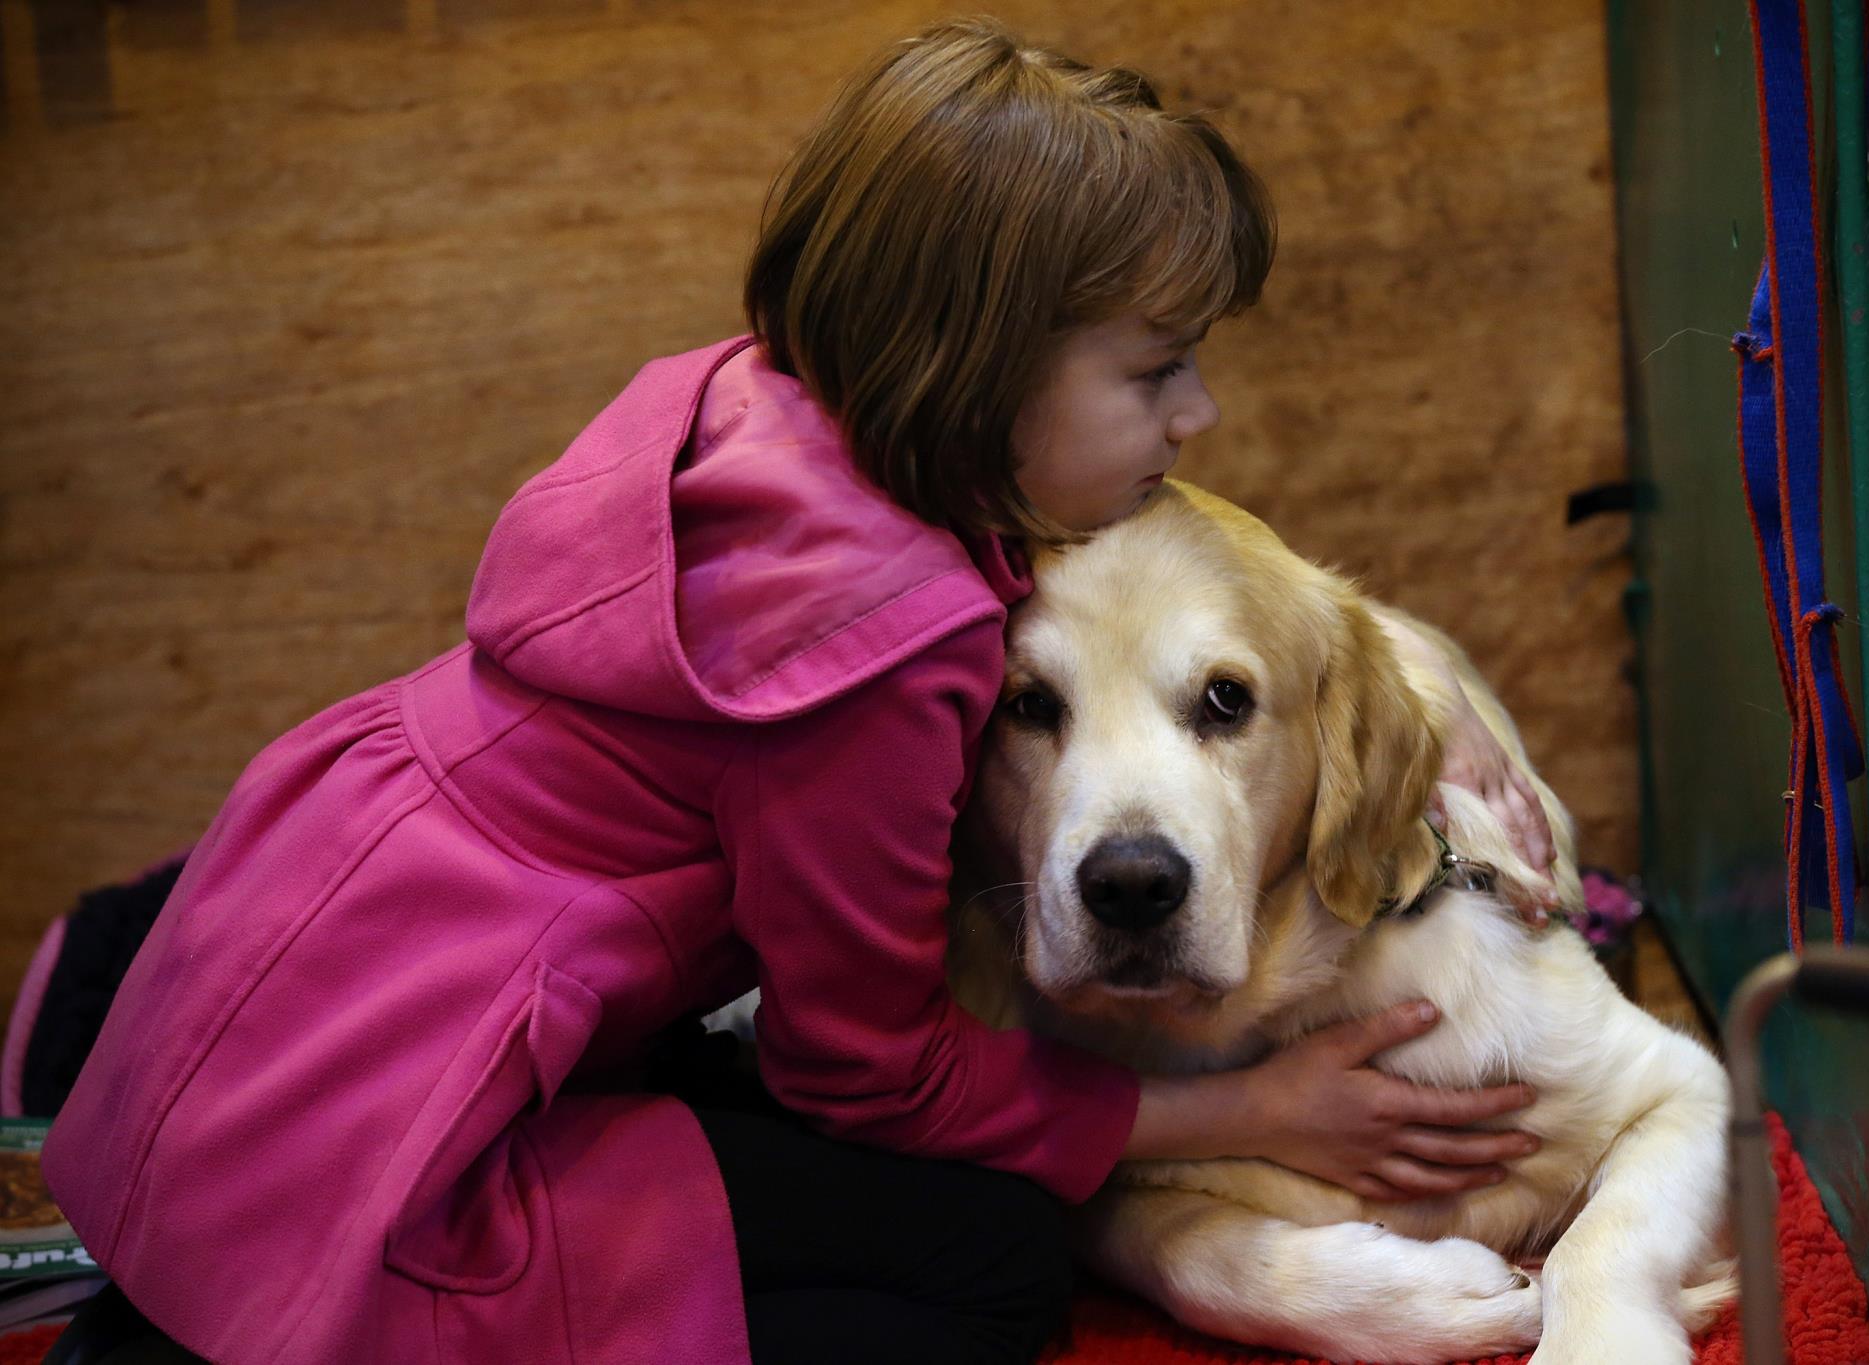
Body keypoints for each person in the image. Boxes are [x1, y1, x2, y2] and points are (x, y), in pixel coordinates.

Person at [42, 19, 1558, 1365]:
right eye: (1158, 370)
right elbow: (871, 1071)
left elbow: (1206, 578)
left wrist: (1414, 682)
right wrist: (1246, 1111)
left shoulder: (754, 402)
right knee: (993, 1267)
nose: (1199, 413)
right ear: (988, 380)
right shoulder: (886, 645)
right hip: (402, 1141)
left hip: (285, 952)